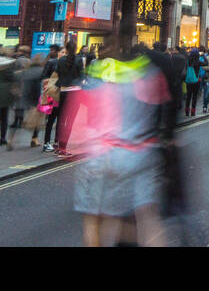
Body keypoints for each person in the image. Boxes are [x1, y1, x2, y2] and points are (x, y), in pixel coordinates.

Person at [72, 37, 170, 247]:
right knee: (144, 218)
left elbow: (81, 117)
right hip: (138, 153)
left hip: (101, 154)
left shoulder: (96, 75)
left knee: (95, 220)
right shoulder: (146, 74)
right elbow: (160, 110)